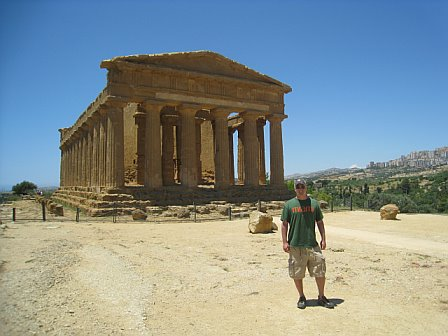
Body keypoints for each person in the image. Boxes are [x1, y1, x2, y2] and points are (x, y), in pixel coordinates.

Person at [281, 179, 335, 309]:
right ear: (295, 189)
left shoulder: (314, 204)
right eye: (298, 187)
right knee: (297, 273)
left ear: (306, 187)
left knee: (320, 271)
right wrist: (284, 242)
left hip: (312, 244)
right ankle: (301, 296)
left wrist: (323, 238)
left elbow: (320, 222)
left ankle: (321, 296)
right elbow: (284, 224)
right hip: (295, 245)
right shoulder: (289, 205)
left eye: (302, 186)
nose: (300, 189)